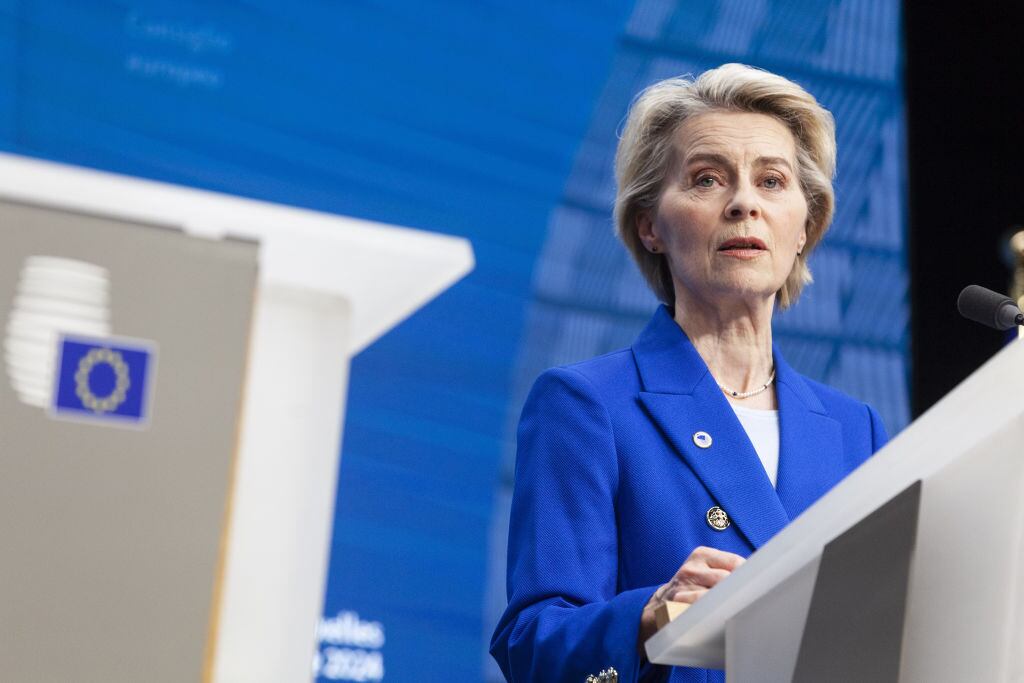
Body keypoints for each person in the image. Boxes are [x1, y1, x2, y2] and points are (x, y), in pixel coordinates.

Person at [489, 63, 889, 682]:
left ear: (805, 226)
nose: (744, 204)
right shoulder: (587, 404)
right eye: (707, 179)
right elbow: (531, 645)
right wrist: (649, 619)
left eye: (772, 181)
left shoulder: (854, 430)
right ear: (650, 225)